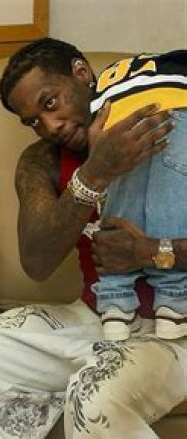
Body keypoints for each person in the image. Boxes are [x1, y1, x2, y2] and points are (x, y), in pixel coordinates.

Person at [0, 38, 187, 439]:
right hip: (96, 317)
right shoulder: (42, 161)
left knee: (95, 395)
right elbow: (36, 260)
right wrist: (95, 174)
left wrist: (150, 252)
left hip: (177, 331)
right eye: (33, 120)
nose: (49, 125)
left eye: (51, 102)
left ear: (81, 73)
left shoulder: (171, 129)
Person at [86, 50, 187, 340]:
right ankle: (173, 302)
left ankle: (115, 303)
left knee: (125, 193)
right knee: (170, 196)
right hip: (178, 103)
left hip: (120, 110)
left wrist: (149, 251)